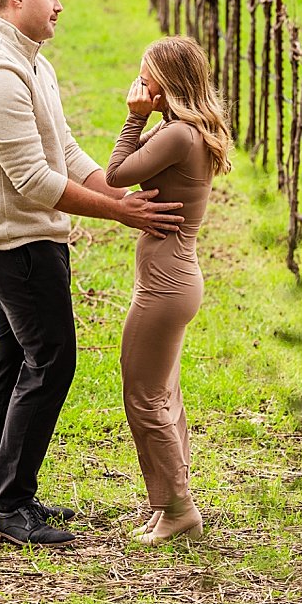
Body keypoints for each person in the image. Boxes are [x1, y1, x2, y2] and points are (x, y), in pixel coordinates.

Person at [0, 0, 185, 547]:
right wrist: (121, 211)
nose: (59, 4)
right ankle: (10, 505)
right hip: (16, 244)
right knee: (51, 362)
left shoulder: (33, 65)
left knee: (10, 360)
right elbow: (34, 181)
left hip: (21, 238)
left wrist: (120, 187)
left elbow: (67, 156)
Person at [104, 35, 232, 545]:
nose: (139, 84)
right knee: (163, 394)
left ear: (168, 81)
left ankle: (179, 509)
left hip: (166, 283)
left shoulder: (178, 134)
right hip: (173, 277)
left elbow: (116, 176)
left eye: (146, 73)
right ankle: (169, 505)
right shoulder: (185, 131)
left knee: (144, 394)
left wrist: (134, 116)